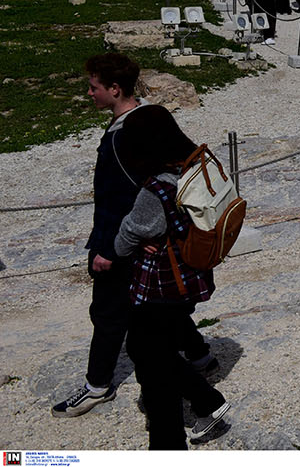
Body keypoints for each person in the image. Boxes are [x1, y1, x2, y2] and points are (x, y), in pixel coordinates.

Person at [52, 55, 215, 419]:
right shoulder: (149, 117)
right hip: (144, 238)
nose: (89, 92)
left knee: (109, 313)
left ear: (115, 89)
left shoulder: (129, 133)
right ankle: (201, 355)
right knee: (159, 303)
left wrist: (110, 248)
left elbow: (140, 192)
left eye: (94, 87)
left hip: (123, 240)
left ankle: (97, 386)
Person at [112, 111, 232, 448]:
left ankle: (200, 408)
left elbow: (125, 240)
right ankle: (193, 415)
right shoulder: (197, 166)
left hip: (162, 284)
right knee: (153, 355)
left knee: (146, 352)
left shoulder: (156, 188)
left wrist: (133, 231)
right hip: (193, 275)